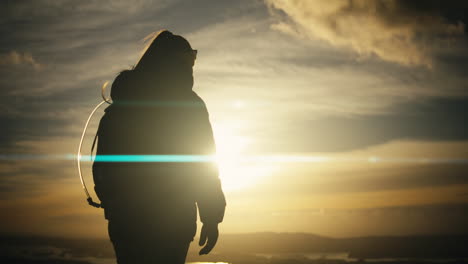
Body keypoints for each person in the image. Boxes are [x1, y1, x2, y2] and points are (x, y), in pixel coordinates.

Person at [92, 30, 226, 264]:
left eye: (193, 57)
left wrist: (114, 206)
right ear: (171, 61)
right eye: (188, 57)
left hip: (127, 224)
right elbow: (203, 164)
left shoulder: (123, 105)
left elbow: (102, 167)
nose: (192, 64)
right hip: (172, 223)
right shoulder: (188, 105)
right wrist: (211, 217)